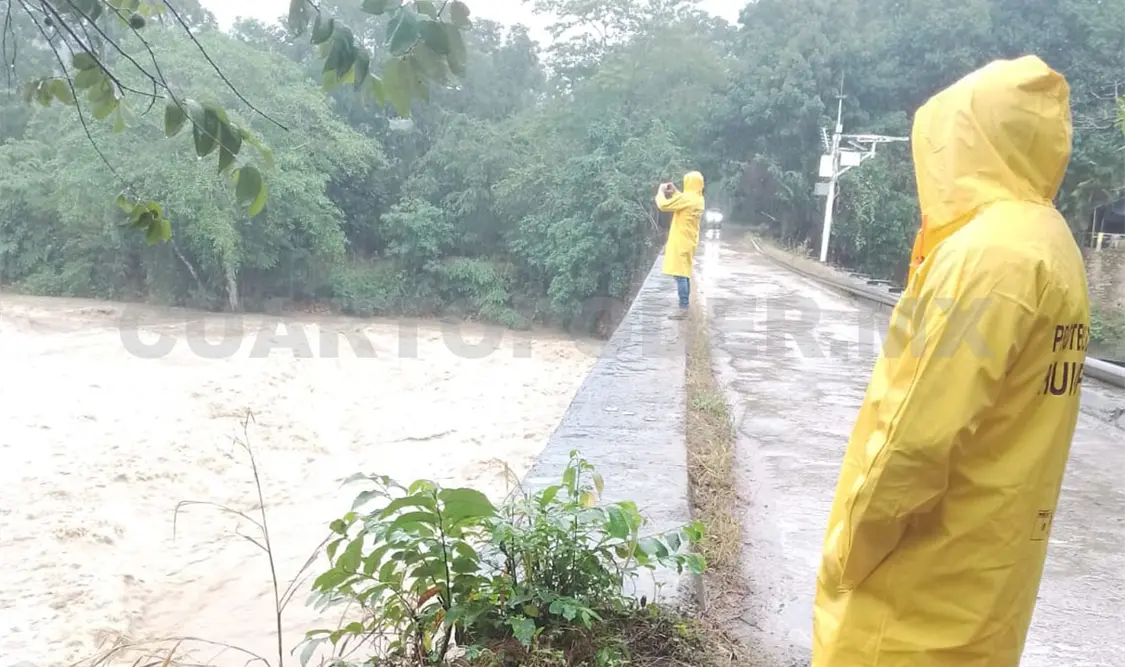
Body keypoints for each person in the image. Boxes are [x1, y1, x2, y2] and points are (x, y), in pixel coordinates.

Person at [813, 55, 1090, 667]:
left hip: (916, 600)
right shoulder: (1052, 244)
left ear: (970, 140)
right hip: (985, 581)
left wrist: (847, 552)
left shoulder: (986, 258)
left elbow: (916, 438)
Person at [656, 171, 705, 319]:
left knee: (680, 275)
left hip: (681, 241)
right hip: (689, 240)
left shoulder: (687, 199)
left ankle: (683, 308)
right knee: (684, 273)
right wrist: (676, 192)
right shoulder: (698, 198)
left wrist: (660, 192)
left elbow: (663, 205)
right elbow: (683, 201)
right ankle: (684, 306)